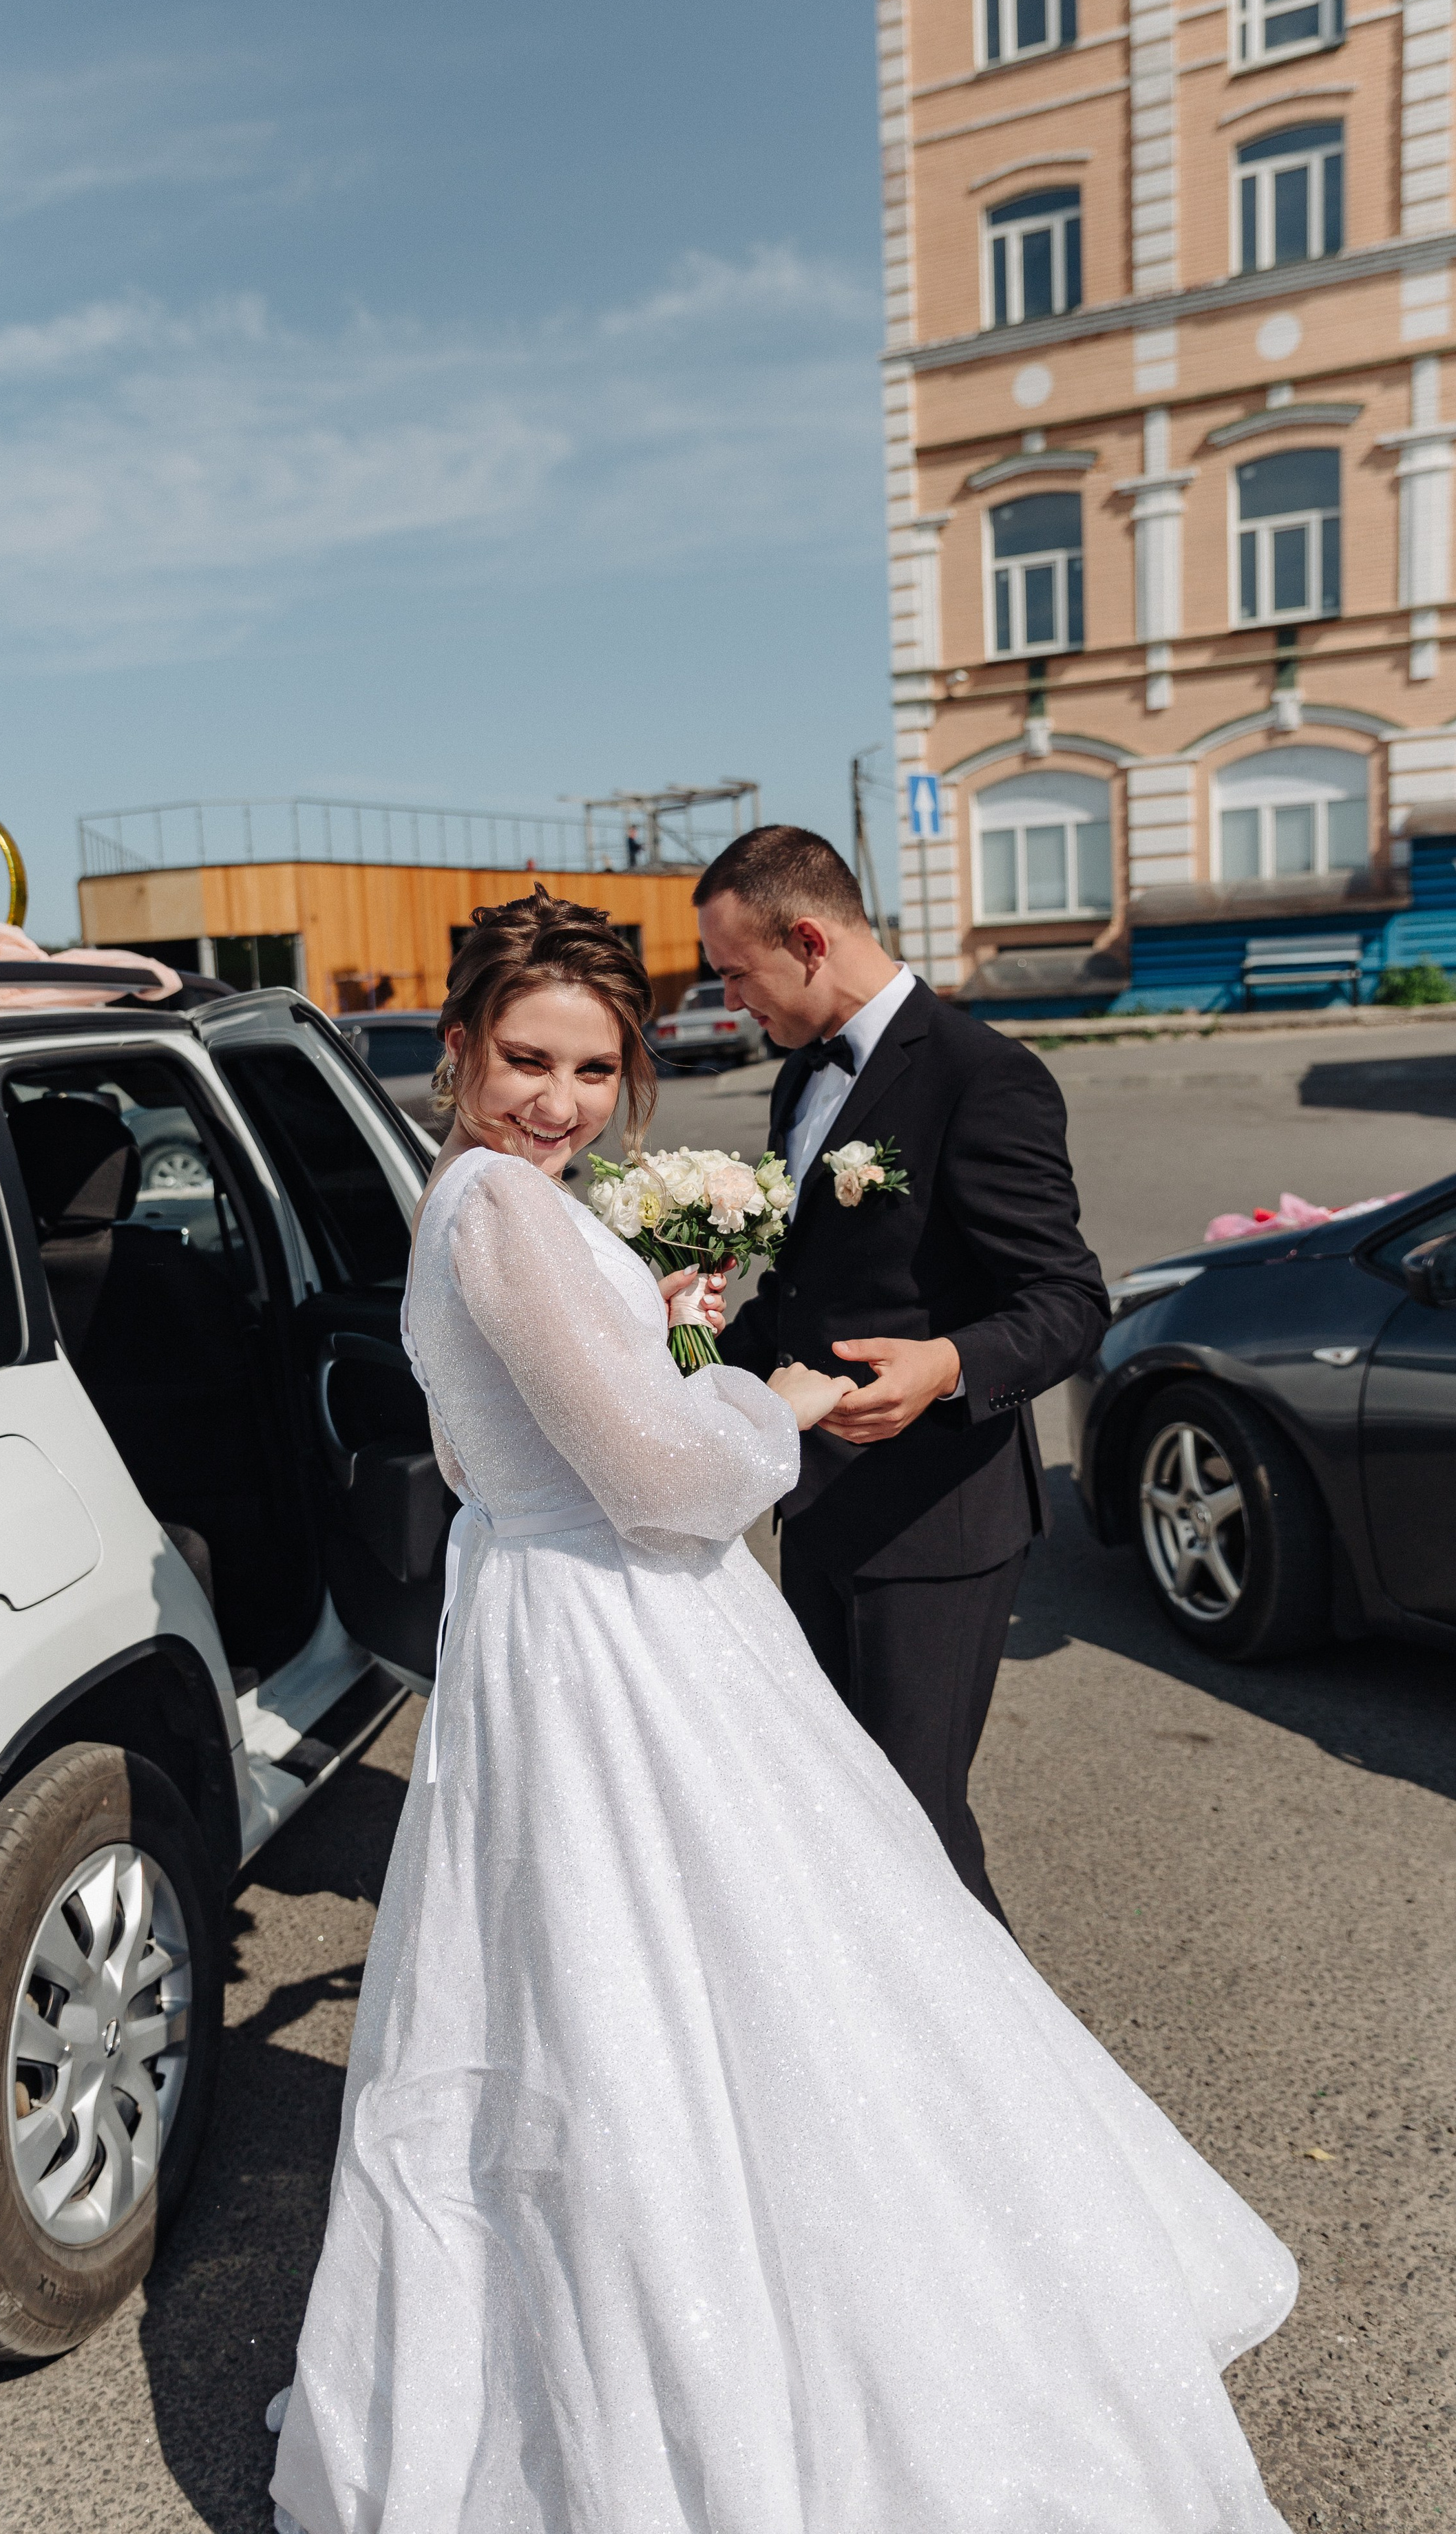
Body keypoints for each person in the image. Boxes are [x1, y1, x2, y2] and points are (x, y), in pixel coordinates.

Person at [267, 884, 1295, 2534]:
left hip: (559, 1608)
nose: (560, 1099)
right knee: (711, 1976)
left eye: (595, 1071)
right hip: (611, 1627)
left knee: (620, 1982)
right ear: (456, 1048)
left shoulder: (482, 1197)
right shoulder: (504, 1211)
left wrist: (659, 1343)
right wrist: (781, 1395)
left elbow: (507, 1444)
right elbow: (667, 1484)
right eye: (527, 1059)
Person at [699, 824, 1108, 1925]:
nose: (732, 999)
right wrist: (682, 1360)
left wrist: (946, 1364)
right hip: (815, 1512)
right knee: (837, 1812)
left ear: (809, 938)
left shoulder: (987, 1078)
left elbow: (1069, 1302)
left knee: (915, 1824)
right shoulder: (797, 1083)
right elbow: (798, 1301)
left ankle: (1012, 2085)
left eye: (737, 972)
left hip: (939, 1525)